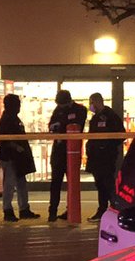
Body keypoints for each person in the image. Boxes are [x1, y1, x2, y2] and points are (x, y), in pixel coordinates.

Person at [0, 93, 40, 222]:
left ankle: (24, 208)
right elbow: (4, 139)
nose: (19, 107)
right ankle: (8, 210)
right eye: (17, 104)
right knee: (9, 184)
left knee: (21, 183)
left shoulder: (14, 118)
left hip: (18, 157)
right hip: (10, 156)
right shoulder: (7, 119)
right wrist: (17, 147)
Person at [46, 89, 85, 222]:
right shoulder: (58, 110)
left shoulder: (80, 109)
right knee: (55, 182)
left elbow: (77, 125)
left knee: (72, 182)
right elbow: (51, 125)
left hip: (72, 151)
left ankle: (71, 210)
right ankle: (52, 211)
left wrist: (60, 124)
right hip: (58, 150)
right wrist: (55, 126)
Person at [85, 92, 124, 222]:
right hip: (96, 157)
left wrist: (107, 147)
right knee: (100, 184)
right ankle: (103, 209)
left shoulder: (110, 116)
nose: (91, 106)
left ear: (97, 101)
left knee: (107, 183)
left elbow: (120, 135)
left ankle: (115, 208)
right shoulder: (95, 118)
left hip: (106, 157)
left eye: (92, 102)